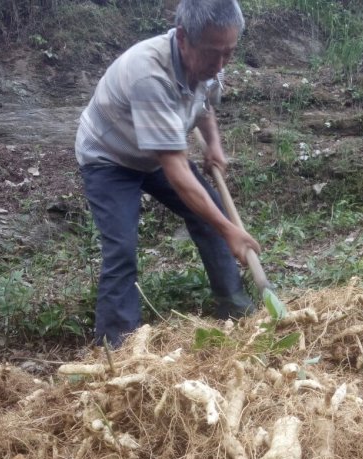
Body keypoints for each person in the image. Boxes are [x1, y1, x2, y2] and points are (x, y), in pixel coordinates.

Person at [75, 0, 261, 348]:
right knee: (122, 248)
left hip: (155, 149)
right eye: (212, 54)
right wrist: (230, 229)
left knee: (212, 216)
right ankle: (119, 346)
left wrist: (214, 144)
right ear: (182, 39)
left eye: (229, 53)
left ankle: (235, 306)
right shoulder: (150, 75)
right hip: (109, 156)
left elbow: (202, 103)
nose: (220, 64)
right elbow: (176, 171)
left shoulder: (210, 56)